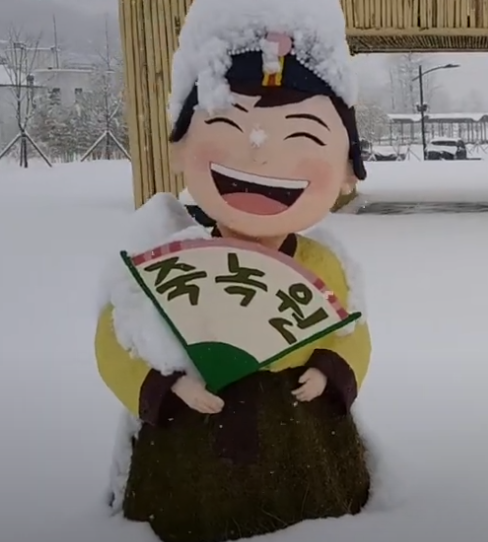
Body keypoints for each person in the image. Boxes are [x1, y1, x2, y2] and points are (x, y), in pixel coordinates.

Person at [94, 1, 372, 540]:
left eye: (304, 135)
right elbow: (117, 335)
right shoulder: (169, 259)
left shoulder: (321, 265)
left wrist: (331, 371)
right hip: (189, 434)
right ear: (180, 147)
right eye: (227, 123)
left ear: (347, 169)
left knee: (312, 514)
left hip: (300, 428)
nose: (260, 153)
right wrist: (163, 385)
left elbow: (350, 330)